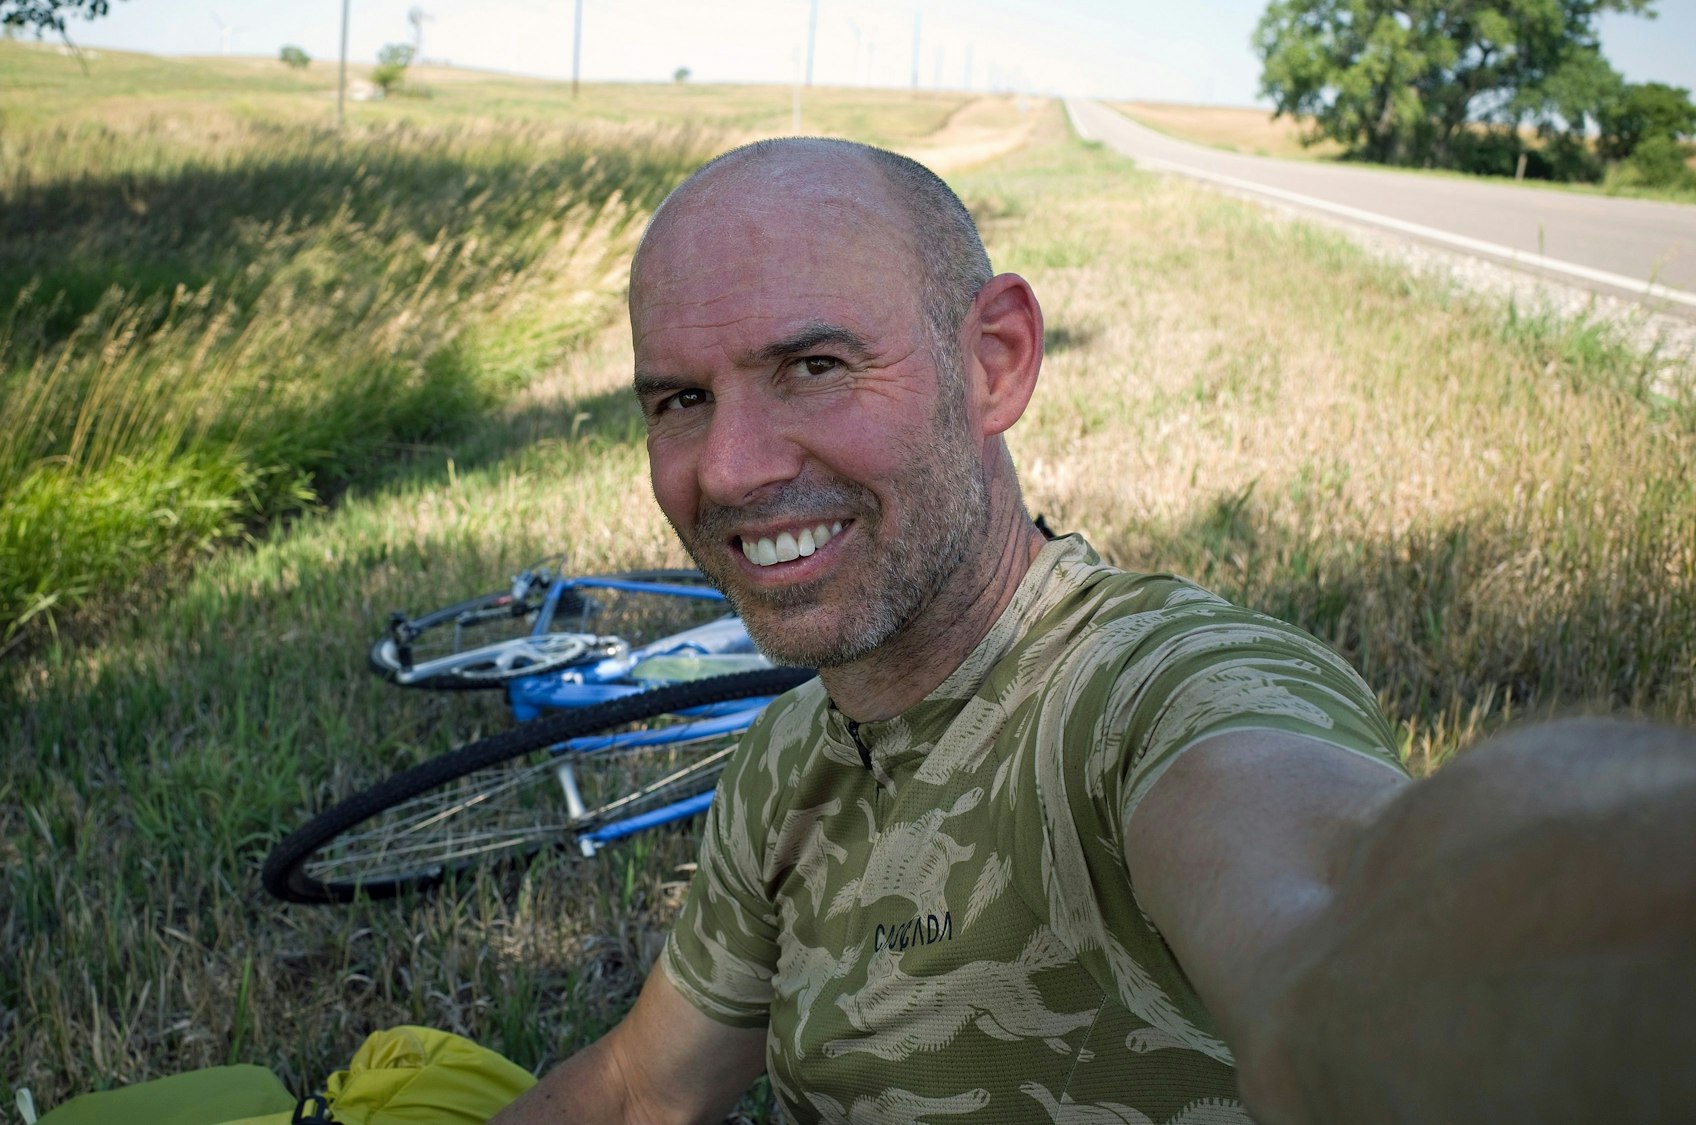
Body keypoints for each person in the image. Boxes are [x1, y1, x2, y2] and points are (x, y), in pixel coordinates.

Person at [490, 137, 1696, 1125]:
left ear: (994, 362)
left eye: (813, 365)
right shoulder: (790, 761)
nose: (731, 469)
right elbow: (644, 1089)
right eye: (680, 401)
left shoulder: (1149, 695)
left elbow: (1325, 924)